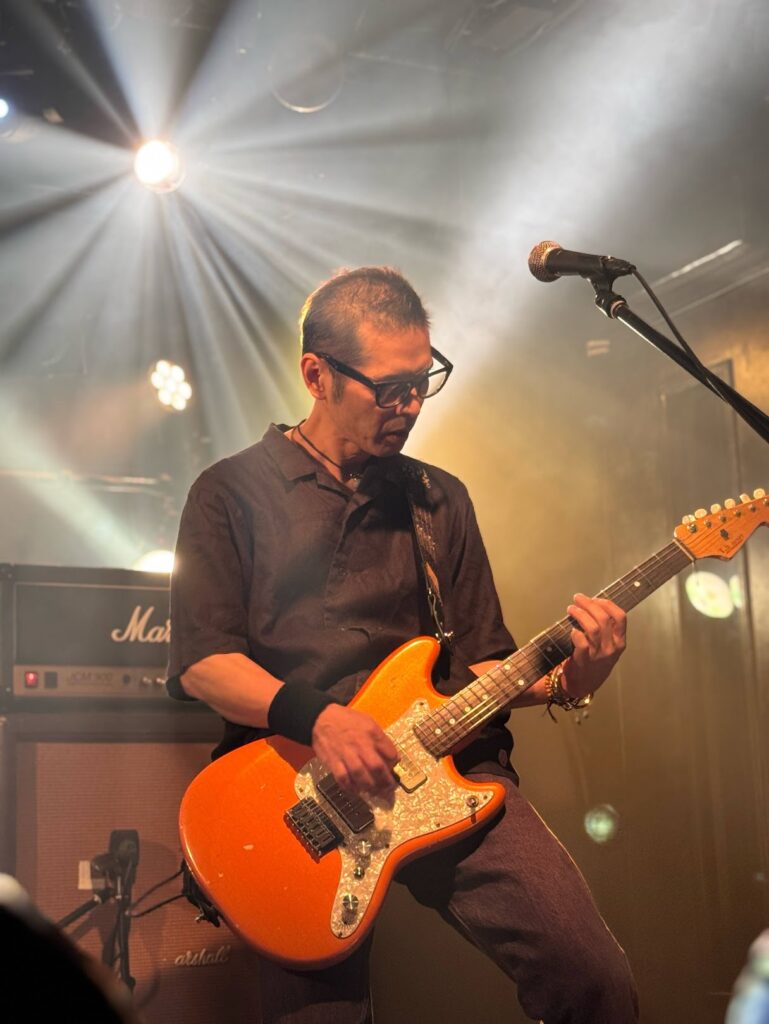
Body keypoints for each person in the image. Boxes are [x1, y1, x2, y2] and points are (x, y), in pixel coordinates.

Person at [167, 266, 639, 1023]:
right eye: (389, 389)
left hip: (448, 770)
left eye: (423, 382)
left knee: (595, 981)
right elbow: (204, 662)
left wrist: (570, 679)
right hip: (294, 795)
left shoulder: (437, 498)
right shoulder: (229, 493)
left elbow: (483, 661)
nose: (411, 405)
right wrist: (320, 718)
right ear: (316, 375)